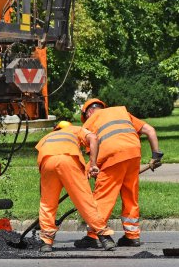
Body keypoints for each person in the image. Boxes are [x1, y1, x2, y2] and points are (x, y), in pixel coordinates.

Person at [74, 99, 163, 249]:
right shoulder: (121, 113)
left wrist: (91, 168)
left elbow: (94, 155)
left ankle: (94, 236)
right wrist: (156, 156)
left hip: (112, 156)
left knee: (103, 197)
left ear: (88, 112)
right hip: (134, 154)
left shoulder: (90, 122)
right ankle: (132, 236)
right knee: (130, 197)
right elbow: (150, 130)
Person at [35, 120, 116, 252]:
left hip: (47, 162)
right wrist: (93, 164)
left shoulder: (47, 137)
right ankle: (104, 236)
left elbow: (43, 166)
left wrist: (43, 194)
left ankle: (46, 242)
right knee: (85, 201)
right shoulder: (75, 130)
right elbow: (94, 138)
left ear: (56, 129)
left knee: (47, 203)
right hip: (68, 160)